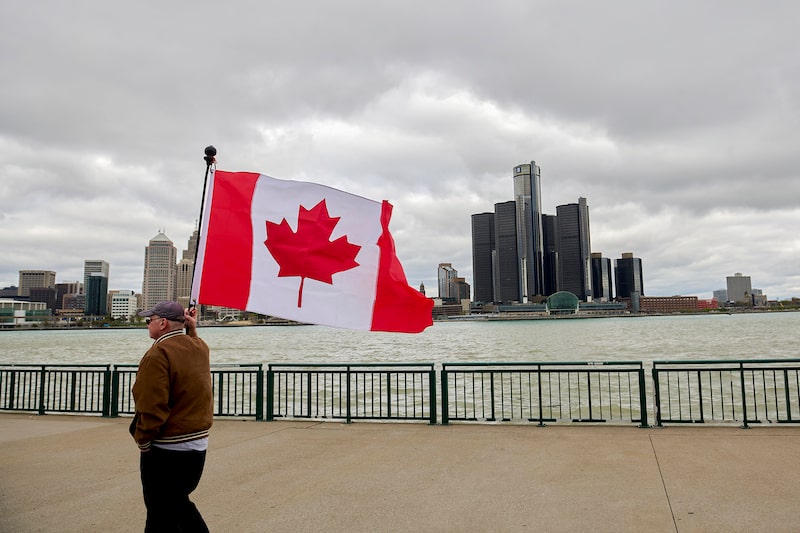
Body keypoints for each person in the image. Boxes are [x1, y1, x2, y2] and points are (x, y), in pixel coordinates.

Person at [130, 301, 213, 532]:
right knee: (166, 513)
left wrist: (143, 440)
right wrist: (192, 328)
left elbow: (151, 404)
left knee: (165, 510)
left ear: (163, 323)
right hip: (196, 448)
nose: (147, 325)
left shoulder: (157, 354)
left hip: (167, 450)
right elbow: (196, 343)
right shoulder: (199, 348)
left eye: (150, 320)